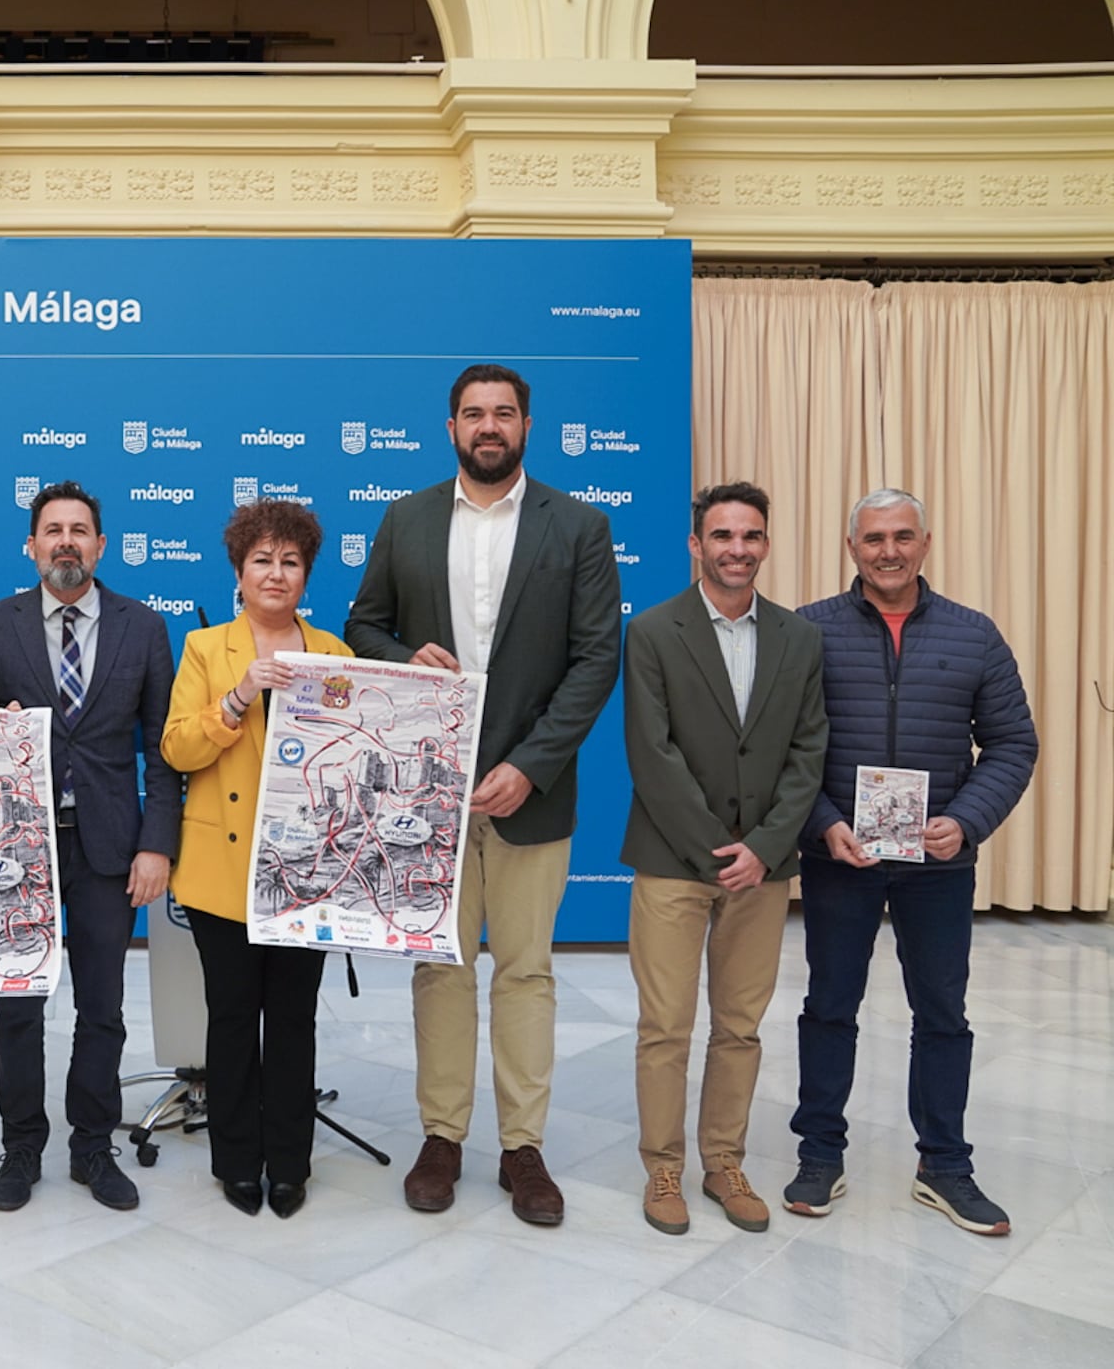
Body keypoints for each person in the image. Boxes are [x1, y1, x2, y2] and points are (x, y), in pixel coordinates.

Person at [345, 363, 620, 1225]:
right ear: (451, 428)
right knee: (441, 969)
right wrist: (402, 658)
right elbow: (362, 625)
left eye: (504, 413)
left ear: (527, 426)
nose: (489, 426)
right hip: (427, 796)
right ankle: (443, 1136)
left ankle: (522, 1148)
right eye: (474, 414)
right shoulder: (407, 518)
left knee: (527, 971)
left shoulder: (579, 526)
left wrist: (531, 765)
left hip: (533, 793)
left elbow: (596, 660)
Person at [785, 489, 1037, 1236]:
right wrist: (824, 824)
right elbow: (782, 749)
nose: (888, 551)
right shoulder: (808, 632)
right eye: (873, 539)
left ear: (925, 543)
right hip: (840, 858)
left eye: (902, 536)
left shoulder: (975, 634)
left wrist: (966, 821)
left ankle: (945, 1167)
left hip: (939, 865)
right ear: (851, 547)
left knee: (943, 1014)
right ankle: (819, 1155)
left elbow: (1012, 744)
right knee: (830, 1006)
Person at [0, 480, 179, 1213]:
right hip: (20, 850)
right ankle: (21, 1147)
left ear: (100, 546)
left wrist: (157, 844)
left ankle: (92, 1146)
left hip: (110, 847)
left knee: (102, 1007)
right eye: (52, 530)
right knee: (18, 1009)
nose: (66, 542)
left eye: (79, 530)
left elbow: (164, 750)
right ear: (31, 546)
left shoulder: (144, 628)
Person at [619, 483, 826, 1236]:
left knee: (740, 1026)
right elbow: (652, 753)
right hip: (675, 861)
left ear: (765, 543)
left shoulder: (799, 638)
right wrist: (718, 850)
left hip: (762, 869)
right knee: (666, 1026)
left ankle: (723, 1163)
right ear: (695, 544)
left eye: (750, 535)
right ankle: (663, 1167)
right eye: (722, 535)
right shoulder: (652, 632)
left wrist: (764, 848)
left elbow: (809, 750)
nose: (737, 549)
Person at [162, 500, 349, 1220]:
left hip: (306, 877)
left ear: (307, 575)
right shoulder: (205, 648)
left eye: (290, 561)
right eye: (262, 560)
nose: (276, 573)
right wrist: (237, 698)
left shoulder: (334, 654)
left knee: (295, 1019)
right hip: (223, 872)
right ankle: (237, 1160)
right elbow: (178, 748)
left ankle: (291, 1163)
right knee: (233, 1018)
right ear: (238, 573)